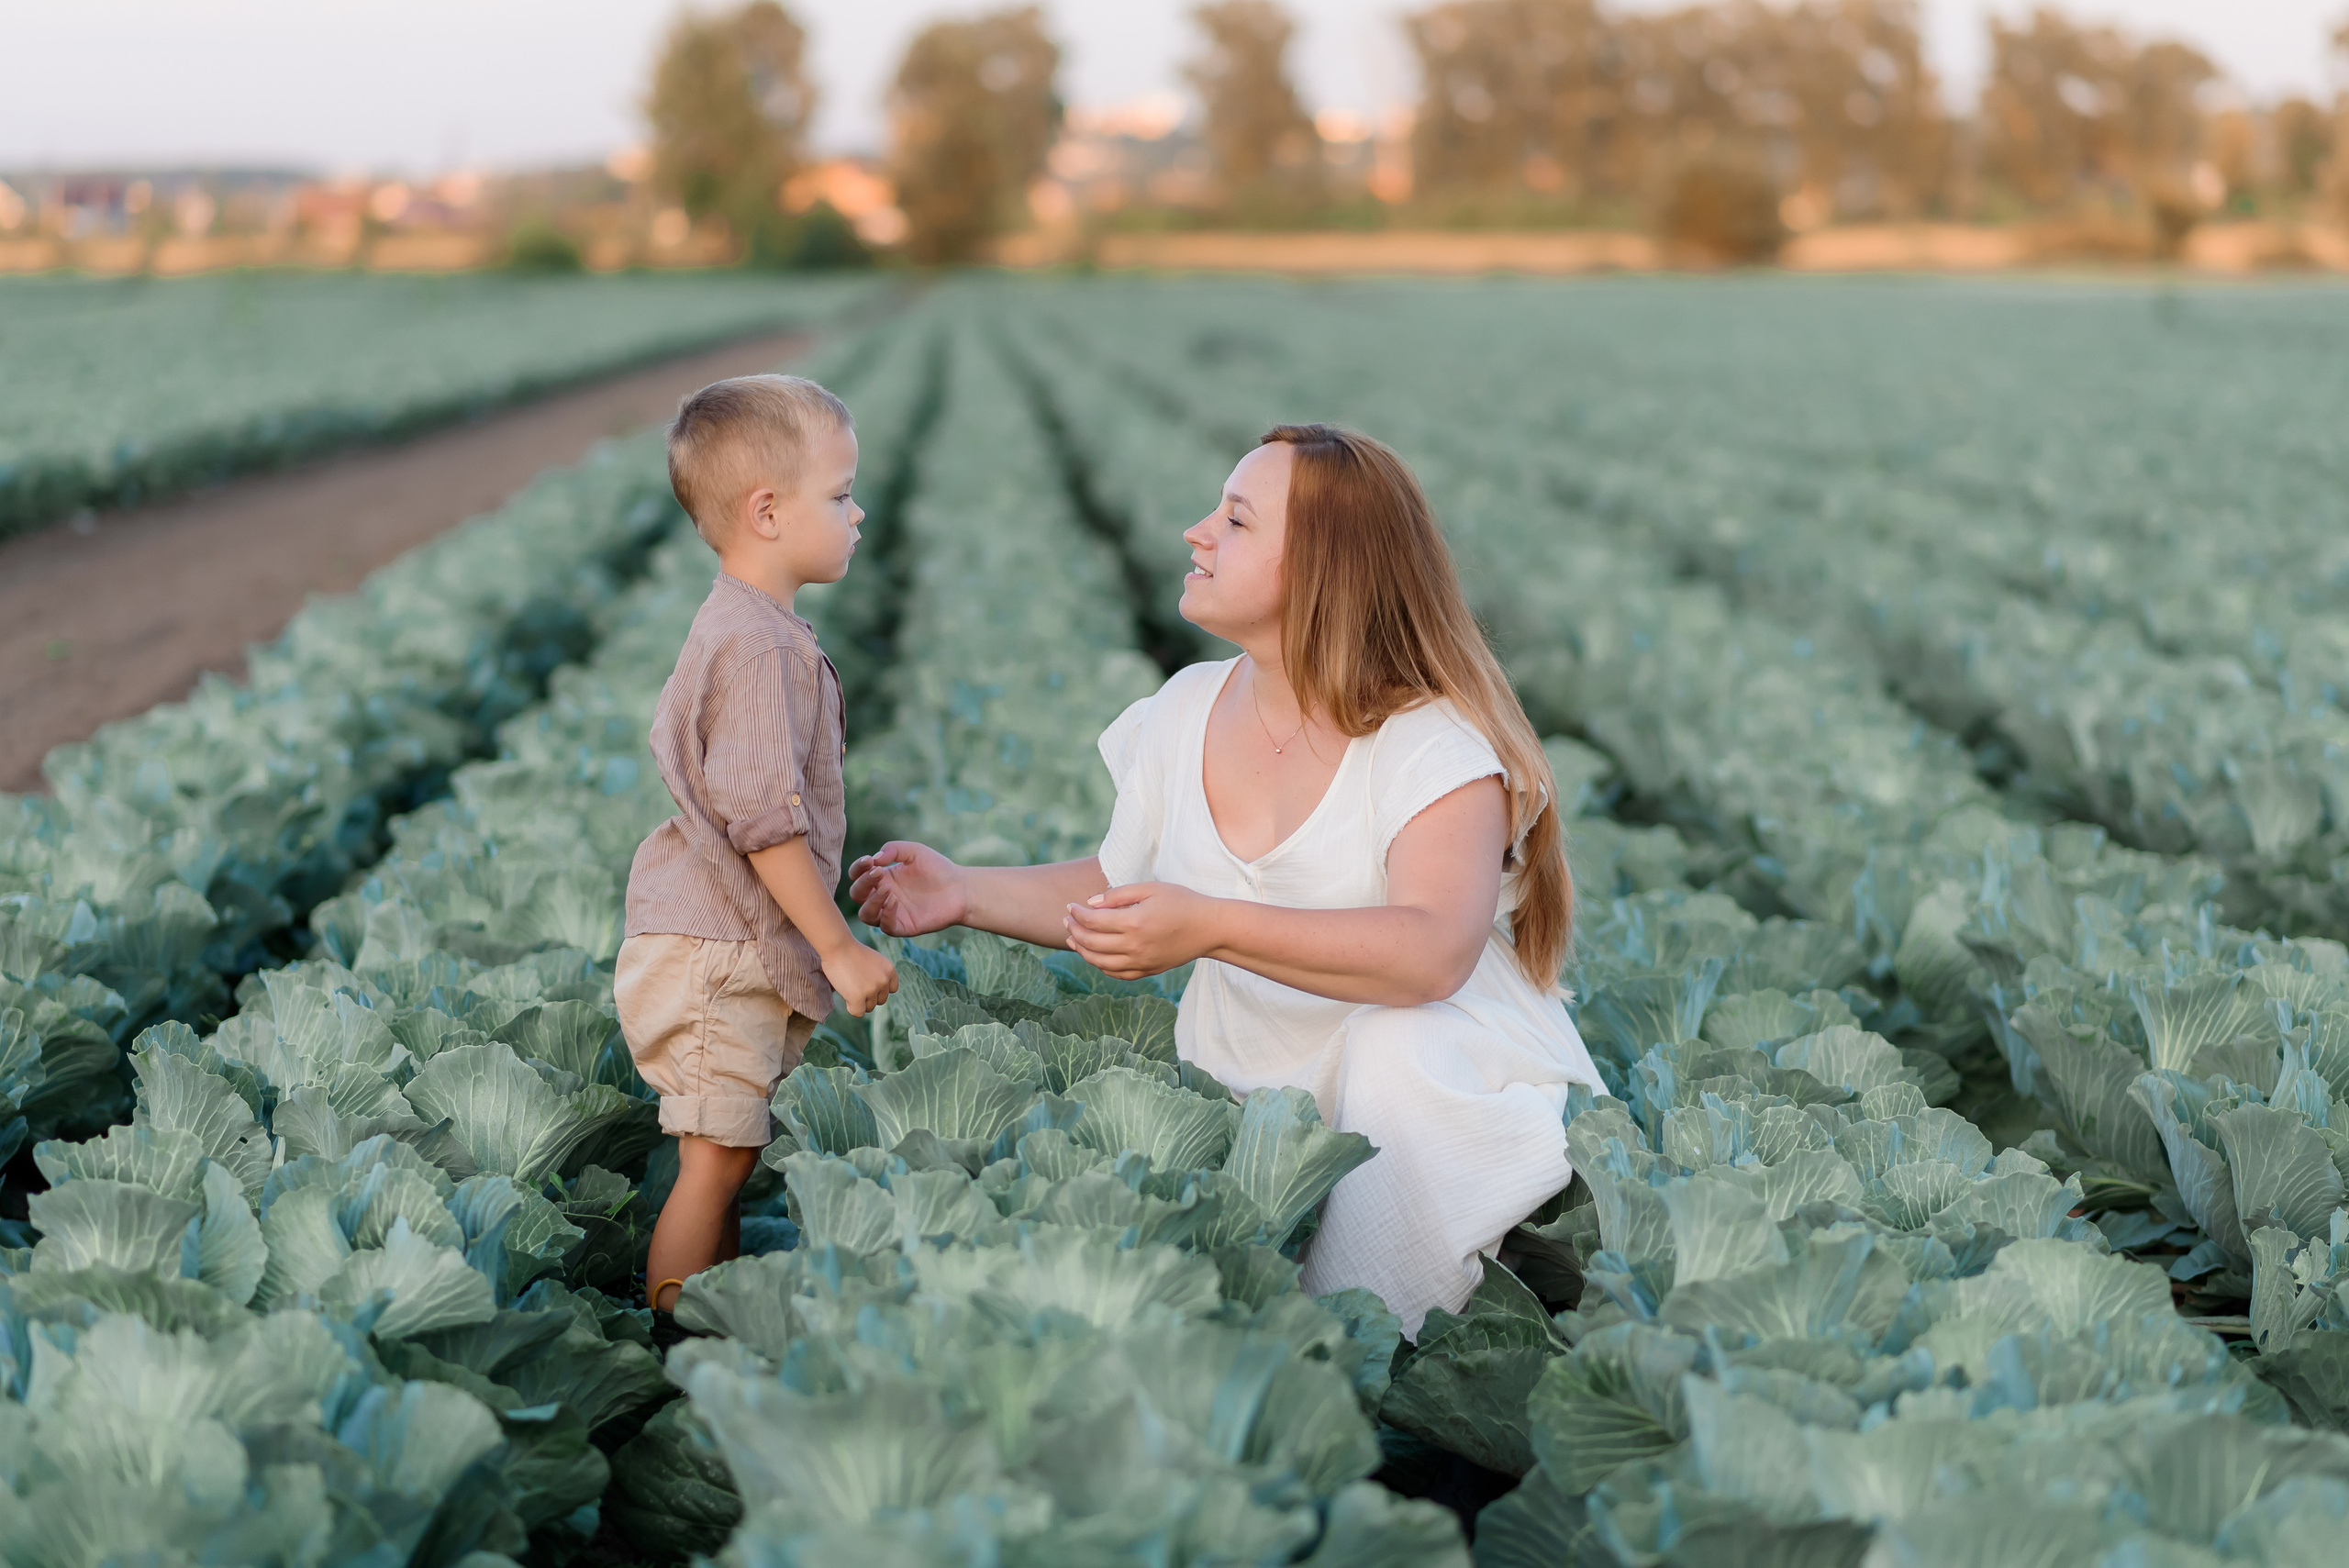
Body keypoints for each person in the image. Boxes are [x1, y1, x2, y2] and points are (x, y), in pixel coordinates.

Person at [850, 423, 1601, 1336]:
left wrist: (1211, 924)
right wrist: (965, 890)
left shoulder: (1432, 745)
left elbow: (1434, 952)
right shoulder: (1187, 708)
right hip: (1263, 1074)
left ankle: (1374, 1332)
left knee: (1396, 1056)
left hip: (1443, 1085)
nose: (1195, 531)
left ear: (1323, 567)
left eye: (1235, 519)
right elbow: (1123, 881)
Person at [617, 373, 899, 1321]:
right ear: (767, 511)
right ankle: (673, 1348)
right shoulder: (758, 644)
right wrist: (836, 946)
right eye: (841, 493)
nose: (858, 512)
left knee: (726, 1155)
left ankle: (709, 1323)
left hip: (720, 943)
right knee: (716, 1158)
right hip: (712, 950)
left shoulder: (757, 626)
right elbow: (764, 822)